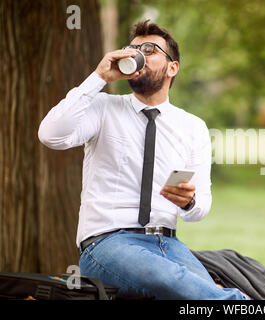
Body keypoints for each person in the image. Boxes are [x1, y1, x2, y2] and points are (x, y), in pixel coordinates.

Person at [38, 20, 246, 300]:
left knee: (197, 293)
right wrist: (98, 78)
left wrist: (189, 201)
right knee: (196, 289)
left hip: (168, 244)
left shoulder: (192, 126)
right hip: (108, 244)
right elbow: (50, 135)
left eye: (149, 49)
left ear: (172, 67)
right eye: (132, 48)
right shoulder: (103, 108)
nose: (136, 54)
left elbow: (200, 208)